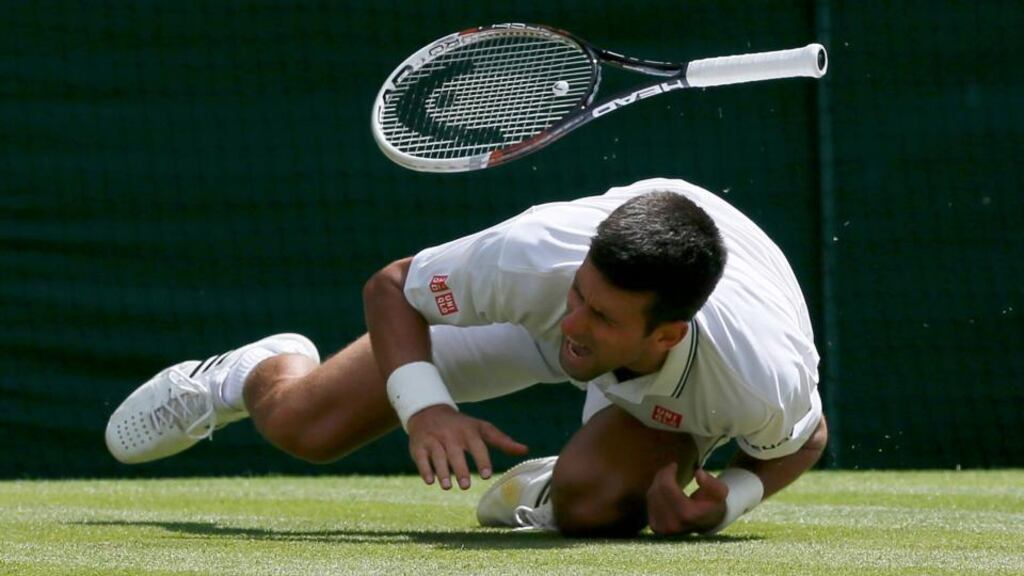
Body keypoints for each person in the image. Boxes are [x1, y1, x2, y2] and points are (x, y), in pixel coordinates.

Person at [105, 177, 827, 537]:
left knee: (595, 506)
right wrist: (428, 411)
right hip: (555, 318)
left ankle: (561, 481)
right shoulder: (538, 259)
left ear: (666, 334)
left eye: (600, 314)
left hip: (678, 373)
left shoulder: (757, 377)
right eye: (579, 293)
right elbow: (393, 287)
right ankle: (251, 371)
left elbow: (804, 440)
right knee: (307, 428)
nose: (574, 321)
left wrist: (728, 501)